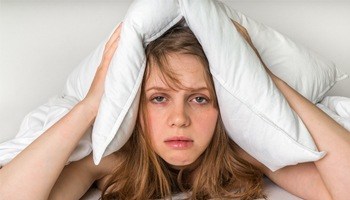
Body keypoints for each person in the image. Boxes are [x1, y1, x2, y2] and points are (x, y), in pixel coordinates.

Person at [0, 18, 349, 200]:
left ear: (222, 107)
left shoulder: (245, 154)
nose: (179, 119)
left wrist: (268, 82)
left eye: (199, 98)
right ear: (136, 106)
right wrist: (92, 103)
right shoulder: (112, 158)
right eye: (159, 98)